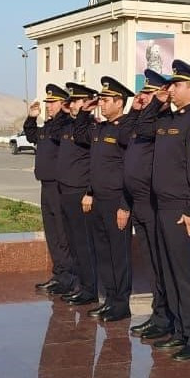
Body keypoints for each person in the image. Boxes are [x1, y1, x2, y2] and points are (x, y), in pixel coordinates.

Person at [135, 59, 190, 361]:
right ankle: (180, 331)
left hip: (183, 209)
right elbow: (142, 128)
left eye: (177, 85)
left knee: (187, 275)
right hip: (162, 206)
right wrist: (156, 102)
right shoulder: (167, 118)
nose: (172, 89)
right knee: (169, 272)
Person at [74, 76, 135, 321]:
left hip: (116, 201)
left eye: (106, 100)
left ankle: (121, 304)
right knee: (103, 253)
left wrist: (125, 205)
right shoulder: (100, 129)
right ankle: (109, 299)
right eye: (101, 99)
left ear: (119, 103)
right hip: (98, 200)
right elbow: (80, 136)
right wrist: (84, 112)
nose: (102, 103)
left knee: (119, 255)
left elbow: (129, 170)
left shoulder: (125, 129)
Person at [121, 70, 174, 340]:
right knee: (151, 264)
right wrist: (135, 109)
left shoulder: (163, 123)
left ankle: (165, 317)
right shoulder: (144, 118)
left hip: (154, 203)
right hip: (138, 203)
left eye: (149, 93)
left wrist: (152, 107)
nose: (143, 97)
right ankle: (158, 314)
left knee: (159, 263)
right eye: (143, 92)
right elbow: (123, 136)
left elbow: (143, 130)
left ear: (162, 95)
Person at [24, 84, 76, 295]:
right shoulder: (48, 126)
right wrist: (31, 118)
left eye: (53, 103)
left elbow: (57, 133)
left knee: (62, 234)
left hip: (58, 187)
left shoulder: (64, 125)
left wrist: (63, 114)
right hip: (46, 185)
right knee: (52, 233)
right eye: (48, 103)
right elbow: (31, 136)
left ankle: (68, 277)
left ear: (63, 104)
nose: (48, 106)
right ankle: (59, 274)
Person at [55, 82, 100, 305]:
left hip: (80, 193)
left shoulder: (91, 128)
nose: (72, 105)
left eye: (76, 101)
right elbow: (52, 131)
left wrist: (90, 191)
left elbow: (95, 163)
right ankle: (80, 285)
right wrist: (64, 111)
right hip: (65, 191)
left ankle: (90, 289)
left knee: (84, 244)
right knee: (73, 243)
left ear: (87, 103)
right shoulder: (68, 126)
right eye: (70, 101)